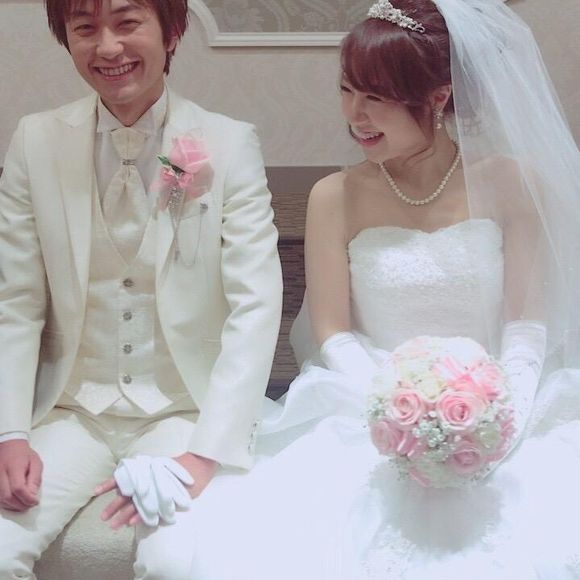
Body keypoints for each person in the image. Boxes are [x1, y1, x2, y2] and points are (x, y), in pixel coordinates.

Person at [182, 1, 580, 579]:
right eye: (347, 90)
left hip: (503, 399)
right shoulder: (334, 196)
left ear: (438, 97)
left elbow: (525, 324)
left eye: (376, 97)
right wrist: (400, 414)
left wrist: (497, 418)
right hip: (364, 401)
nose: (355, 115)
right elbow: (333, 334)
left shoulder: (512, 182)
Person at [0, 0, 282, 577]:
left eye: (127, 23)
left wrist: (205, 452)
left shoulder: (229, 144)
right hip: (72, 411)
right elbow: (17, 303)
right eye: (84, 28)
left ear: (172, 31)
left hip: (181, 411)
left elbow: (255, 306)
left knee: (177, 564)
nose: (107, 47)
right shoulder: (35, 140)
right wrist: (10, 433)